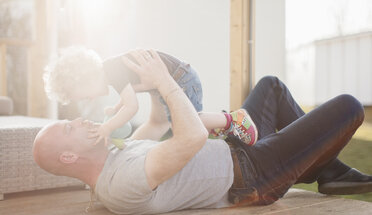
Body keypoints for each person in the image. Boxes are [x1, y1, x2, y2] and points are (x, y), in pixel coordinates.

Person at [33, 50, 372, 215]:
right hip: (253, 175)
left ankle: (328, 172)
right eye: (69, 127)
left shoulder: (115, 153)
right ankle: (325, 169)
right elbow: (192, 137)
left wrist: (153, 87)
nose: (78, 120)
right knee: (349, 107)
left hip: (237, 148)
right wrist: (165, 82)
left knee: (271, 87)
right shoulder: (120, 182)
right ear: (68, 155)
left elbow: (155, 125)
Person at [43, 47, 257, 146]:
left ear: (84, 78)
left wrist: (107, 127)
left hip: (179, 79)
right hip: (166, 81)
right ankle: (128, 153)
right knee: (156, 123)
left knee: (186, 123)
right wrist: (117, 108)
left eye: (84, 96)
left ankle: (233, 120)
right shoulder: (111, 71)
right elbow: (128, 96)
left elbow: (132, 107)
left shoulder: (112, 70)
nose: (89, 99)